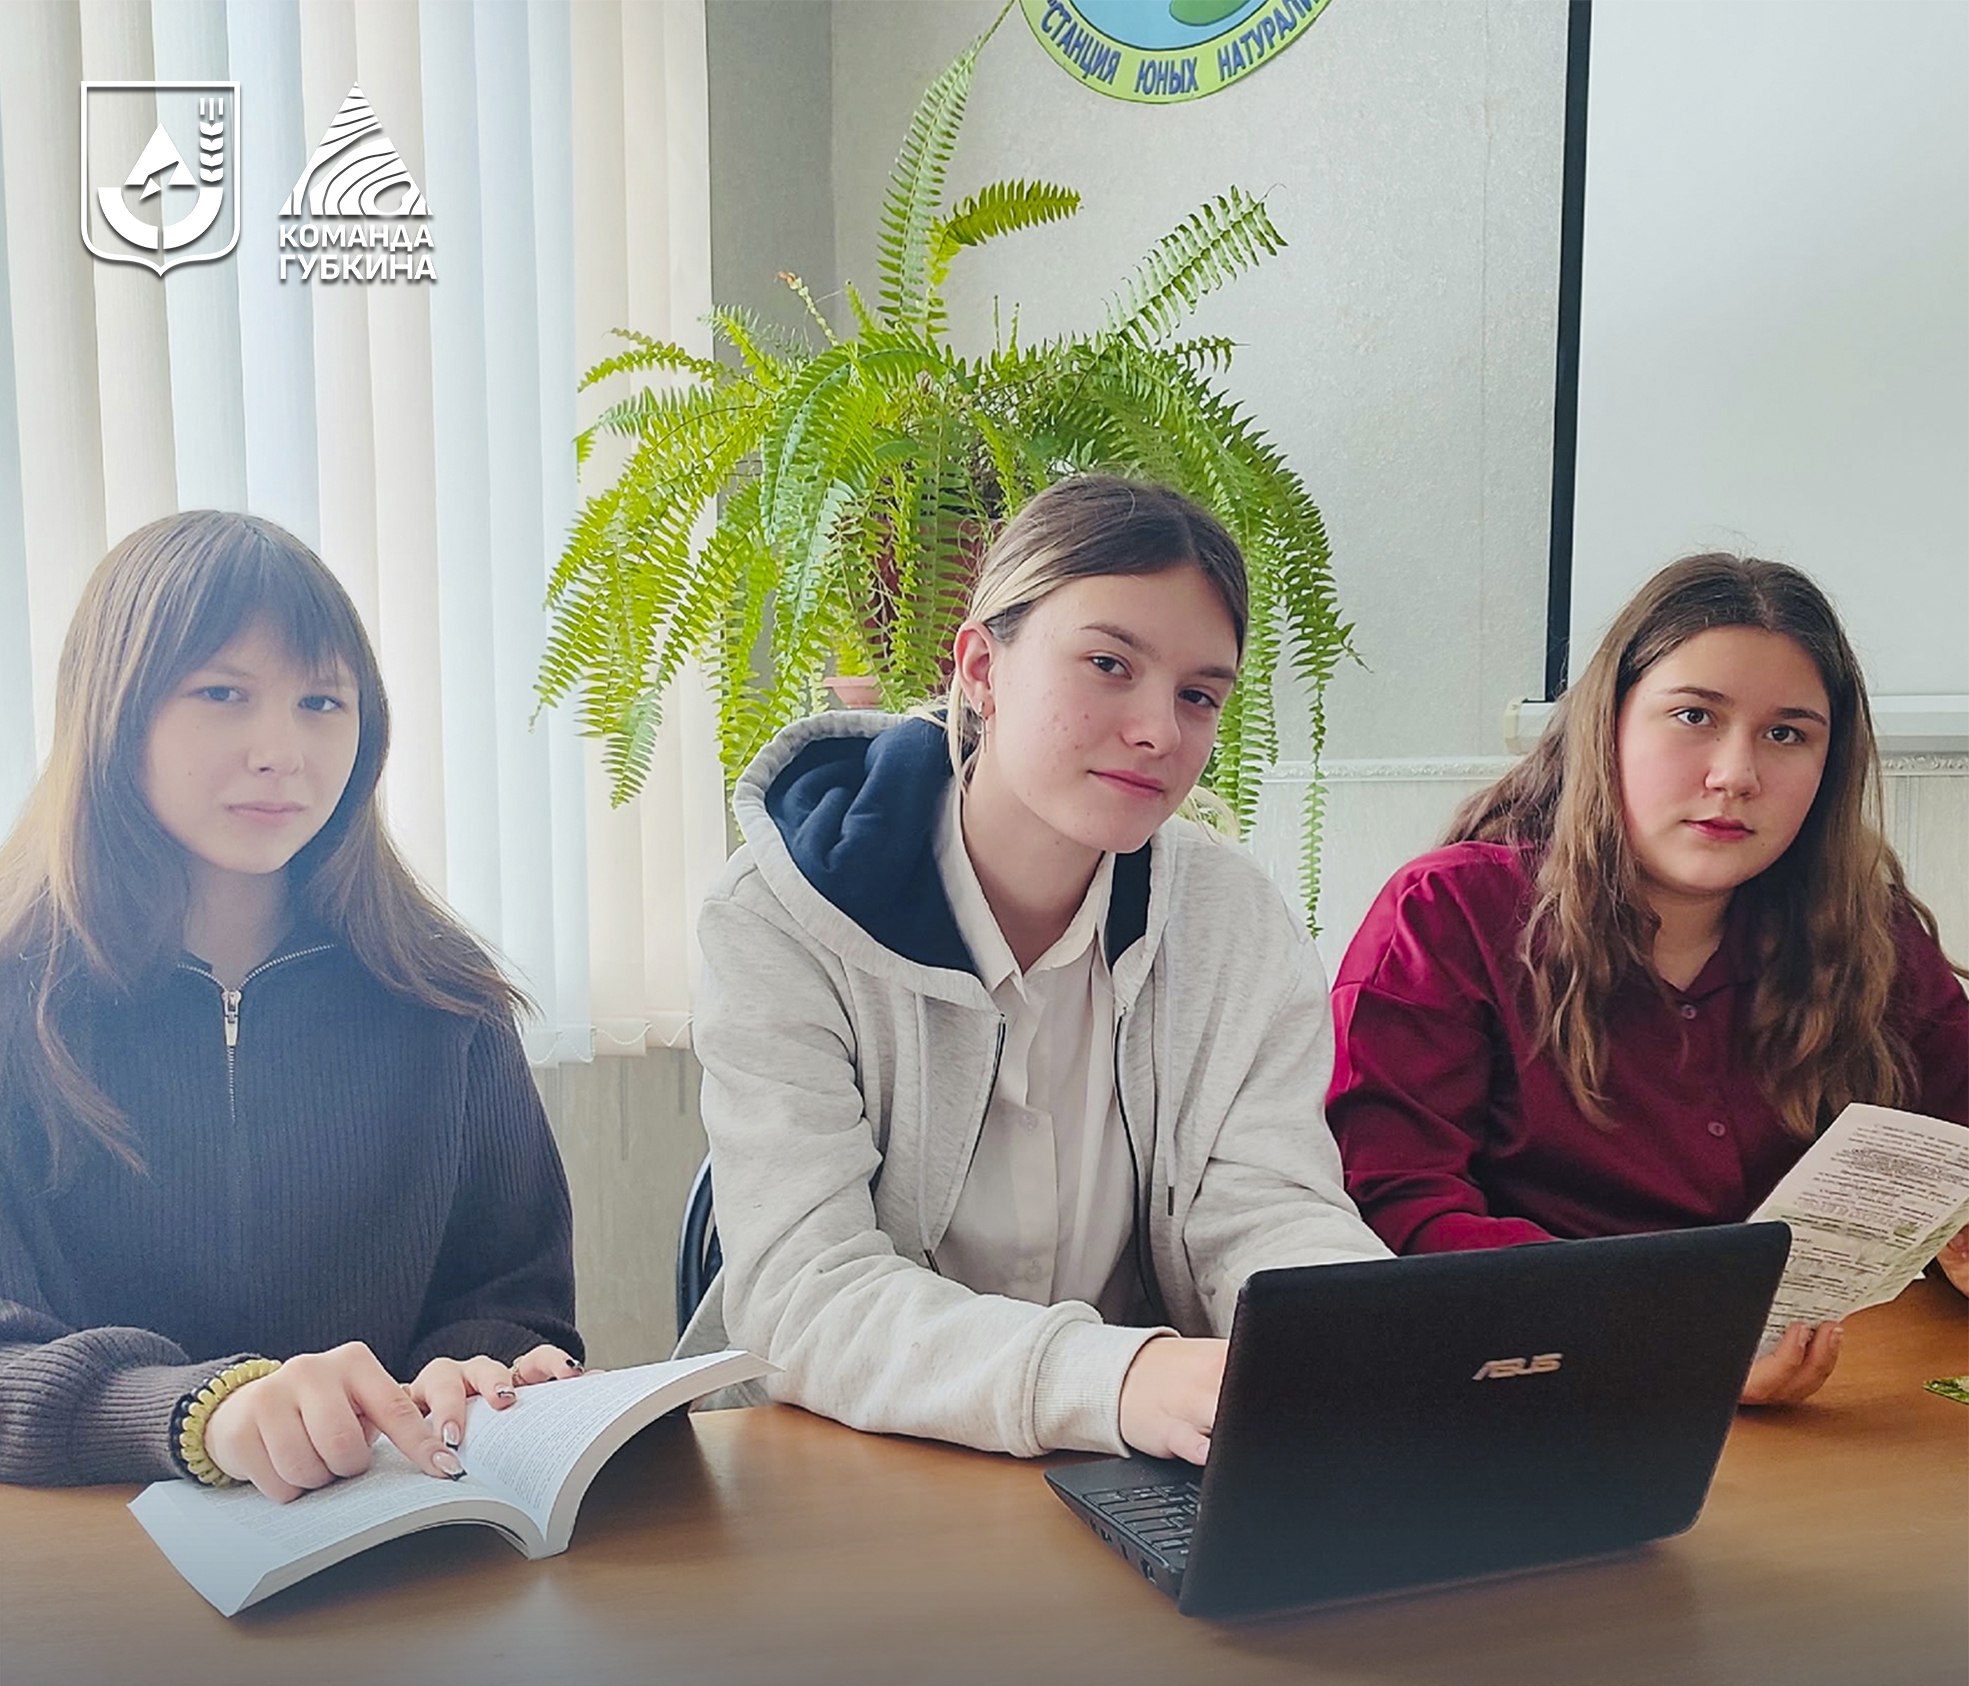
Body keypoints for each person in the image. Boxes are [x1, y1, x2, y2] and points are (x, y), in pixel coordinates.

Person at [679, 475, 1387, 1463]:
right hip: (834, 1467)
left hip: (1119, 1469)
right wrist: (1114, 1376)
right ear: (981, 667)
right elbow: (804, 1294)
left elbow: (1266, 1211)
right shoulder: (780, 914)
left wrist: (1362, 1341)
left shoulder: (1234, 922)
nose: (1158, 730)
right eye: (1108, 664)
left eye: (1198, 695)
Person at [0, 511, 581, 1499]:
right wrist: (205, 1412)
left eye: (321, 701)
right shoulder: (24, 997)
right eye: (222, 693)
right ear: (112, 711)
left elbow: (514, 1302)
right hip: (83, 1551)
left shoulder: (446, 997)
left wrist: (477, 1370)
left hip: (387, 1536)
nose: (281, 750)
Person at [1327, 553, 1969, 1404]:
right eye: (1694, 715)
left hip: (1832, 1398)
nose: (1735, 774)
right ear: (1608, 724)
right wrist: (1668, 1339)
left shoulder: (1866, 930)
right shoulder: (1448, 913)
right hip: (1542, 1395)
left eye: (1786, 734)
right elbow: (1395, 1205)